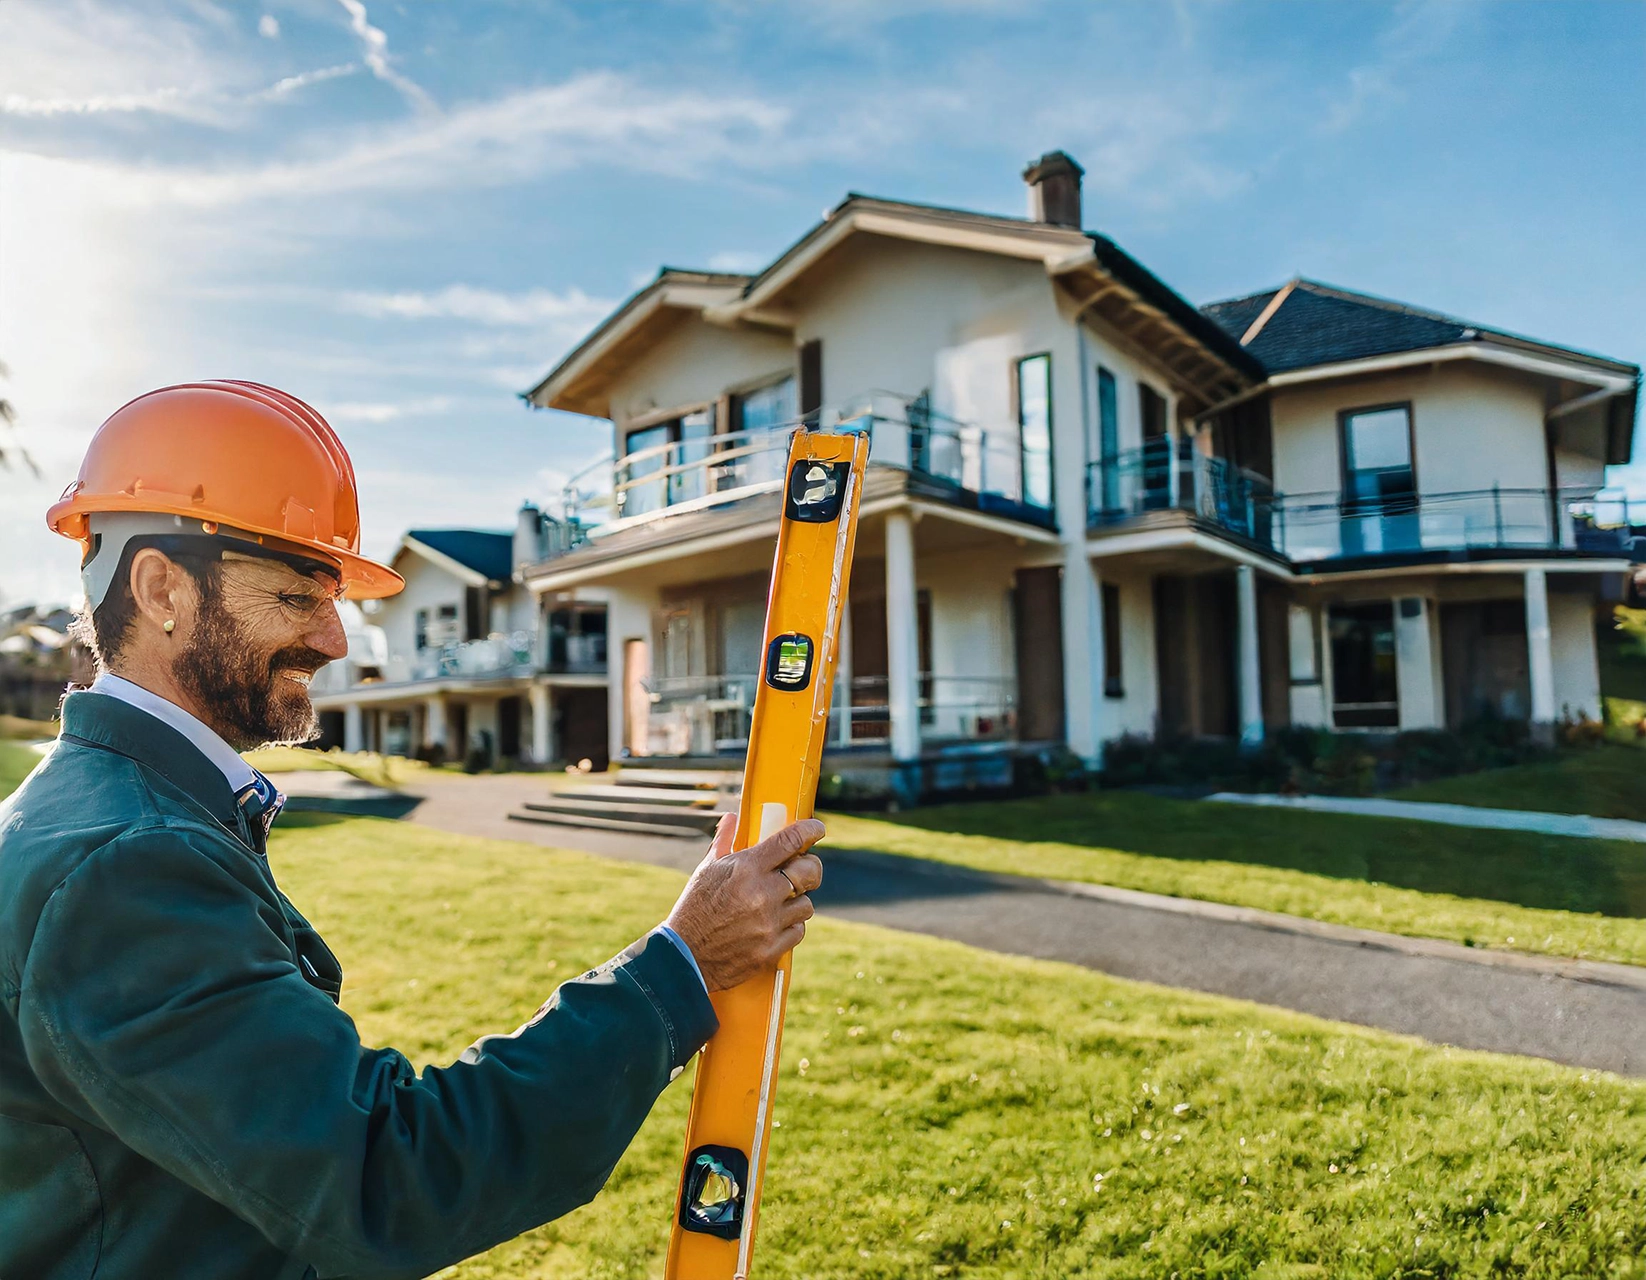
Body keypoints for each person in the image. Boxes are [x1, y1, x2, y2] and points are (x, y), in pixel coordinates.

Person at [0, 381, 824, 1279]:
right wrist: (682, 968)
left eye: (335, 596)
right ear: (162, 588)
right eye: (295, 595)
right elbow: (385, 1177)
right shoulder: (125, 867)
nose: (337, 639)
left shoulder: (93, 815)